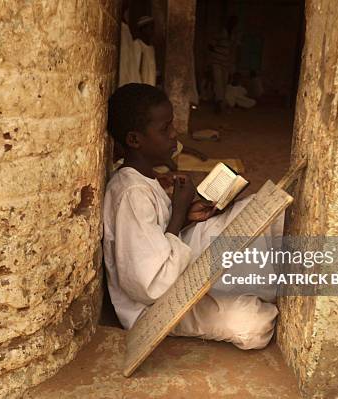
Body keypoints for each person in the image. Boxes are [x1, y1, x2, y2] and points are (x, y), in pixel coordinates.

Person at [103, 83, 281, 350]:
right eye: (165, 129)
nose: (174, 134)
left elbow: (157, 236)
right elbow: (151, 286)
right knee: (255, 325)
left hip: (179, 261)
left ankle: (255, 281)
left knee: (263, 211)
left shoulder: (143, 178)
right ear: (134, 140)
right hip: (154, 306)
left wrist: (186, 216)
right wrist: (178, 212)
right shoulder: (131, 194)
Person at [209, 16, 240, 113]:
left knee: (223, 84)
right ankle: (219, 103)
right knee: (218, 82)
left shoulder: (233, 36)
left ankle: (221, 105)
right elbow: (210, 45)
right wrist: (217, 52)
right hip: (217, 62)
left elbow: (232, 51)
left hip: (226, 63)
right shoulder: (221, 33)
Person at [134, 16, 157, 86]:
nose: (152, 31)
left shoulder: (151, 48)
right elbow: (135, 71)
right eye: (150, 28)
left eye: (153, 28)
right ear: (143, 29)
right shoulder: (137, 45)